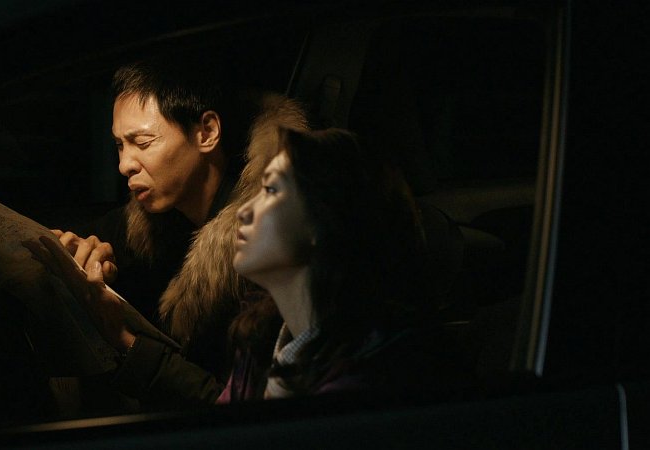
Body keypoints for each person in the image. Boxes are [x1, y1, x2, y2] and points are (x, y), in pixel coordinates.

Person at [33, 54, 309, 406]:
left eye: (143, 143)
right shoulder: (151, 219)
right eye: (119, 145)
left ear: (206, 132)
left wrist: (125, 341)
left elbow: (241, 410)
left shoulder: (269, 251)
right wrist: (84, 256)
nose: (124, 164)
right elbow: (85, 238)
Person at [219, 126, 430, 401]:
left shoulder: (377, 376)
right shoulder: (260, 343)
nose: (244, 211)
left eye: (270, 190)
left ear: (322, 219)